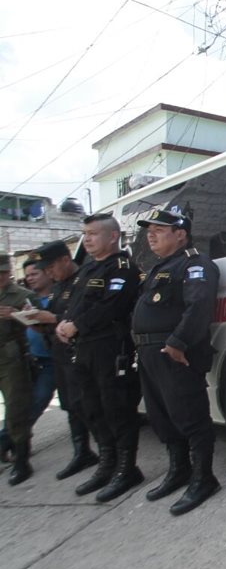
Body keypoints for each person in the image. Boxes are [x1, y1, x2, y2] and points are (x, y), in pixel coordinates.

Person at [132, 207, 222, 515]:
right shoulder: (159, 268)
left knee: (191, 417)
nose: (151, 234)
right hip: (149, 355)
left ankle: (203, 478)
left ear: (180, 234)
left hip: (175, 354)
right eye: (149, 230)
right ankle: (179, 470)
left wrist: (178, 342)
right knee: (163, 417)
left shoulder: (194, 264)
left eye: (159, 229)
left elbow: (198, 306)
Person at [55, 213, 143, 502]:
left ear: (113, 236)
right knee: (90, 407)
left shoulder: (122, 267)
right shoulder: (87, 270)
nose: (87, 239)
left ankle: (127, 469)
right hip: (83, 350)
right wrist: (64, 323)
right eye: (85, 234)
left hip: (109, 349)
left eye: (92, 234)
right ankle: (108, 462)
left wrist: (77, 325)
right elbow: (75, 305)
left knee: (116, 409)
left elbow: (112, 306)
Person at [31, 240, 98, 482]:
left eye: (51, 268)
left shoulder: (84, 280)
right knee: (70, 404)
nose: (49, 273)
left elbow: (79, 317)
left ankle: (109, 458)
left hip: (79, 353)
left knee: (88, 405)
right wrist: (42, 325)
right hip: (59, 352)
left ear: (65, 260)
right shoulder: (59, 286)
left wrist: (52, 317)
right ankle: (82, 451)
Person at [0, 259, 58, 465]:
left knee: (25, 404)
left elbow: (44, 325)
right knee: (20, 405)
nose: (31, 278)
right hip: (29, 356)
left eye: (35, 274)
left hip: (35, 359)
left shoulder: (25, 296)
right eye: (29, 275)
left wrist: (17, 315)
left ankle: (16, 451)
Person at [0, 253, 35, 484]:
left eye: (3, 272)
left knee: (16, 410)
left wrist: (16, 316)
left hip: (12, 359)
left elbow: (37, 323)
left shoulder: (22, 295)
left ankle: (22, 460)